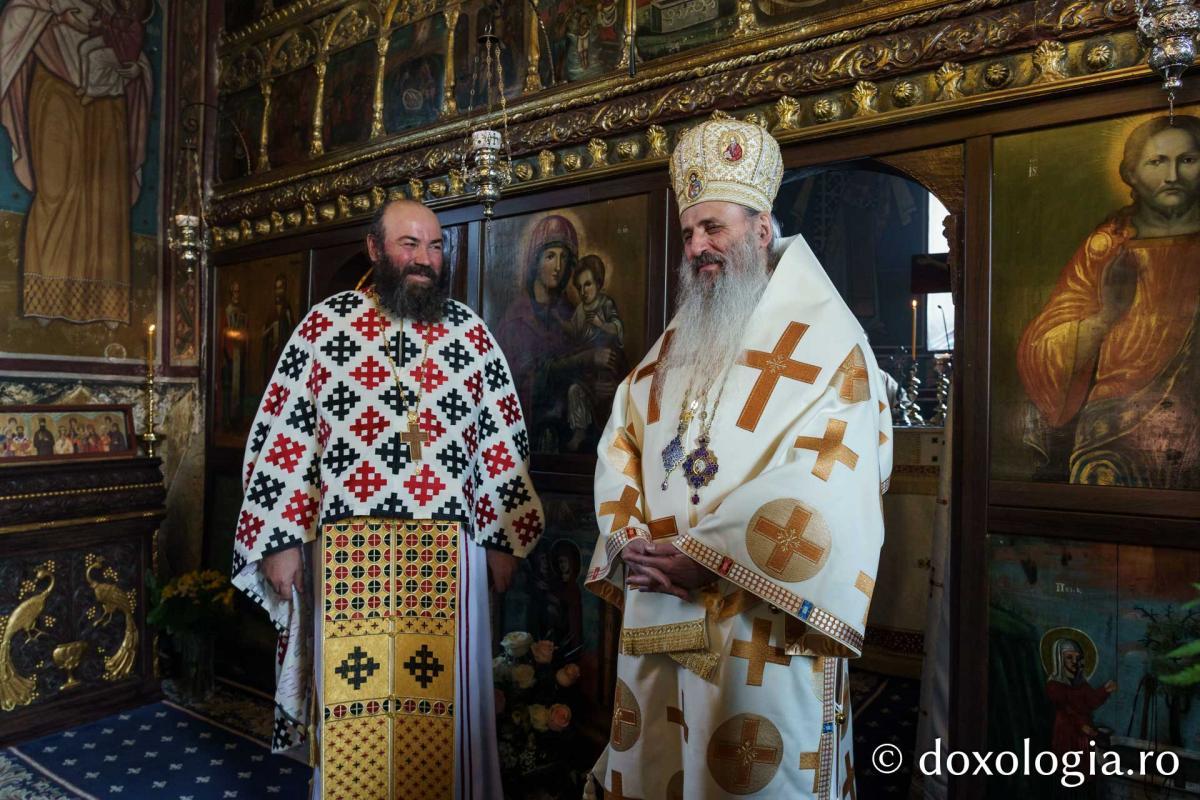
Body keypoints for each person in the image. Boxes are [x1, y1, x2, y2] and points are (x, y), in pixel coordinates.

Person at [585, 117, 893, 798]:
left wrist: (711, 554)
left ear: (760, 228)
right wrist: (628, 537)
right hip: (664, 608)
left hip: (761, 622)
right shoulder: (681, 337)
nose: (698, 246)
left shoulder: (830, 342)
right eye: (689, 232)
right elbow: (623, 437)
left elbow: (835, 471)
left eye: (713, 228)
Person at [232, 198, 543, 800]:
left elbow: (501, 444)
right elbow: (285, 439)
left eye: (435, 246)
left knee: (444, 700)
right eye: (409, 244)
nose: (424, 259)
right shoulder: (325, 329)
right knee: (355, 698)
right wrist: (279, 541)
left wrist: (504, 540)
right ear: (375, 249)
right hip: (348, 551)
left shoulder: (469, 334)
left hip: (448, 552)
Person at [1018, 115, 1200, 490]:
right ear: (1131, 173)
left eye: (1187, 160)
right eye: (1157, 162)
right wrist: (1106, 316)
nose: (1172, 176)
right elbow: (1042, 348)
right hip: (1114, 421)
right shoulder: (1105, 247)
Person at [0, 0, 152, 324]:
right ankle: (45, 300)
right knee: (55, 189)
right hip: (54, 85)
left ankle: (107, 306)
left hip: (108, 102)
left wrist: (137, 70)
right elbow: (17, 17)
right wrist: (56, 15)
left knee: (107, 202)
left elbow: (131, 50)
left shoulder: (116, 6)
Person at [564, 254, 626, 451]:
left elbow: (617, 328)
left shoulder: (605, 304)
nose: (583, 291)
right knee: (575, 391)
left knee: (612, 394)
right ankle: (579, 432)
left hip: (608, 367)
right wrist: (560, 324)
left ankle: (613, 438)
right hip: (587, 371)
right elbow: (574, 334)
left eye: (588, 285)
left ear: (598, 283)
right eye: (579, 287)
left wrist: (601, 324)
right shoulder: (580, 311)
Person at [1045, 637, 1115, 755]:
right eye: (1069, 657)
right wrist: (1081, 725)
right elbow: (1066, 710)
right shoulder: (1054, 685)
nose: (1074, 661)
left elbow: (1091, 701)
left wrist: (1105, 690)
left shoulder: (1081, 684)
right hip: (1067, 733)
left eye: (1077, 658)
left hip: (1086, 733)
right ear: (1059, 659)